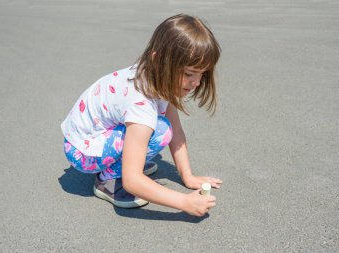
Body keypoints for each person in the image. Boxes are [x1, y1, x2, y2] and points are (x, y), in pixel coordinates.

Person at [61, 14, 222, 217]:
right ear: (160, 61)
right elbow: (133, 181)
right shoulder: (140, 103)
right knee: (159, 131)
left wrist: (187, 176)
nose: (197, 82)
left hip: (94, 137)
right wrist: (185, 202)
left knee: (164, 128)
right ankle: (107, 181)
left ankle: (125, 162)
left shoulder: (157, 77)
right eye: (190, 74)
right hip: (82, 151)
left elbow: (177, 132)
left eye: (201, 74)